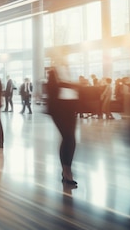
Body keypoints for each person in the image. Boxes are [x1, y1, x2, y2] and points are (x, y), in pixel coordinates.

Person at [47, 58, 80, 186]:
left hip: (71, 109)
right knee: (68, 137)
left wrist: (68, 84)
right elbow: (52, 90)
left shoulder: (71, 73)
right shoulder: (52, 72)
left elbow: (77, 89)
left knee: (70, 139)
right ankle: (67, 172)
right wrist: (68, 84)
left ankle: (66, 170)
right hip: (59, 110)